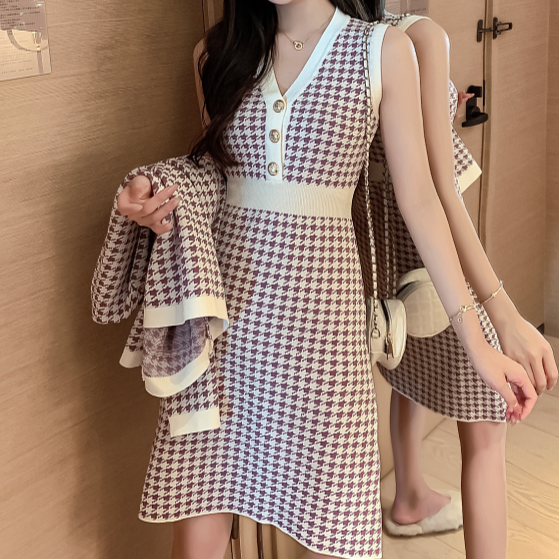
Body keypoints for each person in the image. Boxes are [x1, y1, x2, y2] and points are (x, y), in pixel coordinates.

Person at [115, 1, 540, 558]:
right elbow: (214, 177)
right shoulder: (216, 54)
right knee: (197, 531)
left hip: (322, 333)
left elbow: (421, 202)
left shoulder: (382, 50)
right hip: (223, 331)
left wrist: (479, 341)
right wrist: (157, 193)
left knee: (332, 528)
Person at [371, 12, 557, 559]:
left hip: (374, 252)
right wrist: (503, 313)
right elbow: (437, 192)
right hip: (431, 255)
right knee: (487, 420)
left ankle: (410, 494)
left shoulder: (333, 40)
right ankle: (413, 499)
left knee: (406, 366)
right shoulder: (415, 36)